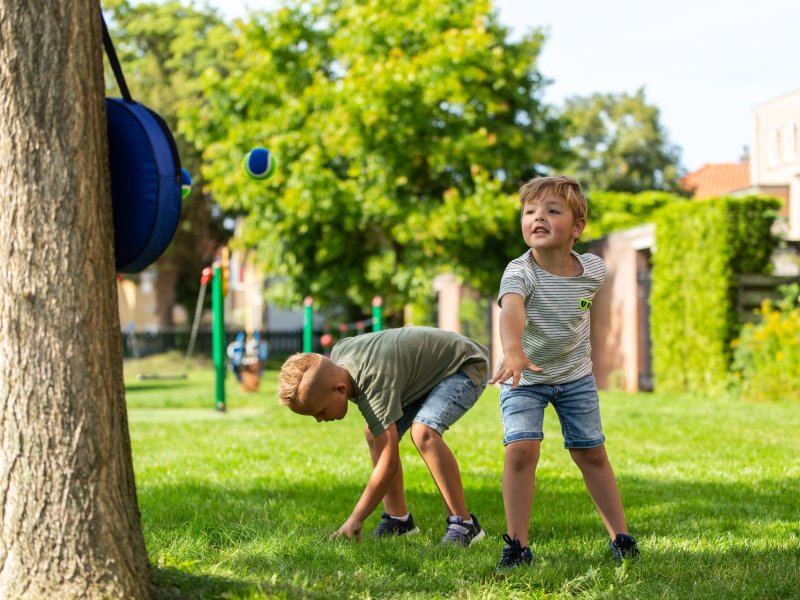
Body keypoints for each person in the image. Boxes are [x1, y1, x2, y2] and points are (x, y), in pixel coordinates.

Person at [489, 175, 639, 569]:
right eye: (530, 211)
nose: (538, 217)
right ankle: (517, 545)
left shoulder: (592, 270)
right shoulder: (519, 272)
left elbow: (578, 310)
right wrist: (513, 351)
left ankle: (621, 538)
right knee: (521, 450)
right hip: (526, 377)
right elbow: (511, 309)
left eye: (552, 211)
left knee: (591, 453)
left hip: (575, 377)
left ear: (576, 228)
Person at [278, 326, 489, 545]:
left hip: (464, 366)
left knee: (423, 431)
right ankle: (399, 521)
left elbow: (387, 463)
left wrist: (356, 518)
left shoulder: (373, 383)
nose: (320, 420)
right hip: (429, 374)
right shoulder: (340, 358)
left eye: (320, 412)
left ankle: (464, 525)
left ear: (340, 390)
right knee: (373, 433)